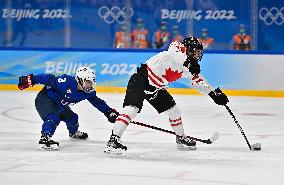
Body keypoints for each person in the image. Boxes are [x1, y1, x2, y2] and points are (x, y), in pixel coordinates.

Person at [105, 36, 229, 155]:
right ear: (189, 50)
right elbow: (174, 52)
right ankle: (114, 140)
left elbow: (199, 81)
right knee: (132, 109)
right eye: (196, 52)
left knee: (174, 111)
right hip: (141, 80)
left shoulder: (188, 67)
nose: (198, 55)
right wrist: (188, 63)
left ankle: (180, 138)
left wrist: (213, 93)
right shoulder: (177, 47)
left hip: (156, 88)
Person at [18, 67, 119, 150]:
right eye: (88, 82)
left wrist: (108, 112)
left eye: (91, 82)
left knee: (73, 118)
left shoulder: (88, 93)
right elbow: (49, 78)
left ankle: (73, 133)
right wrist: (31, 79)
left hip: (60, 106)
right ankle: (44, 139)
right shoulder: (67, 82)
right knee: (53, 118)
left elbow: (97, 102)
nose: (90, 85)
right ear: (80, 80)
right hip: (45, 100)